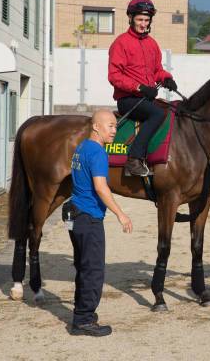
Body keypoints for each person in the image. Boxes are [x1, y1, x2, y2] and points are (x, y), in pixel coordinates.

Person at [69, 109, 134, 336]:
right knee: (93, 270)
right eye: (110, 126)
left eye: (116, 126)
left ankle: (81, 315)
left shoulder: (82, 147)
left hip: (74, 215)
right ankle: (84, 320)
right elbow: (100, 187)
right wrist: (120, 214)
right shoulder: (97, 153)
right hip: (88, 218)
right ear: (96, 126)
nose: (114, 131)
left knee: (83, 266)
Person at [108, 0, 178, 177]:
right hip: (128, 99)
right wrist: (140, 88)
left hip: (146, 99)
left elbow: (157, 70)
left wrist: (167, 78)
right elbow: (114, 76)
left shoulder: (152, 44)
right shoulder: (121, 43)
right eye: (139, 19)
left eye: (146, 20)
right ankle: (134, 159)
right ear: (131, 19)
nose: (143, 24)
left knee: (171, 109)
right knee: (157, 114)